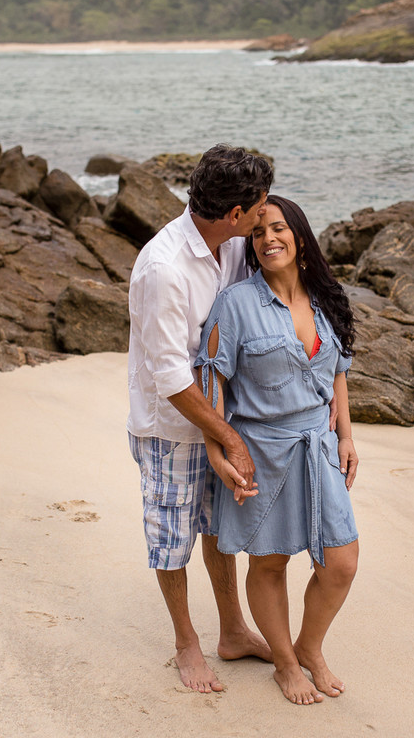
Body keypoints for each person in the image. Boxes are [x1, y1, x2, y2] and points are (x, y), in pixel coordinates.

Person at [195, 194, 360, 705]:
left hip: (319, 447)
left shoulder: (326, 296)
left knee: (342, 562)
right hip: (262, 452)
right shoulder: (236, 304)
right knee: (269, 563)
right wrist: (220, 449)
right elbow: (212, 379)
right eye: (258, 231)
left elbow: (337, 369)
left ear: (300, 236)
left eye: (279, 228)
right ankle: (286, 664)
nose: (268, 238)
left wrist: (346, 435)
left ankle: (309, 647)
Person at [126, 144, 274, 693]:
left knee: (217, 527)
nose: (264, 212)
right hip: (169, 429)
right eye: (258, 207)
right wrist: (228, 437)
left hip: (219, 415)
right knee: (171, 537)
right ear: (234, 214)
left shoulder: (230, 243)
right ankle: (186, 644)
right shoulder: (163, 268)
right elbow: (170, 378)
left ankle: (233, 631)